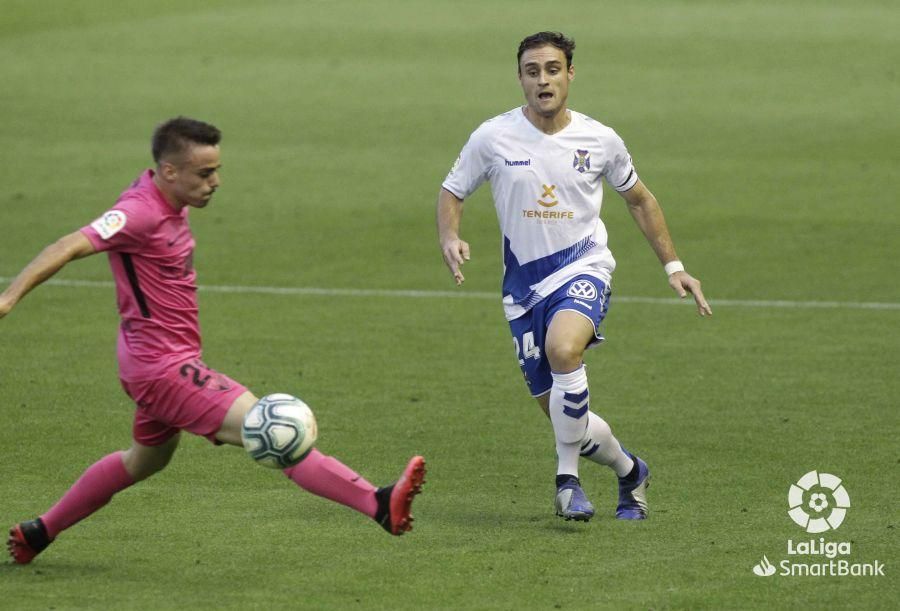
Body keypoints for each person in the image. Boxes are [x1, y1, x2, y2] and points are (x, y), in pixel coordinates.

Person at [3, 117, 426, 564]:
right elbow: (68, 245)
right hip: (162, 368)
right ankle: (377, 504)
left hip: (155, 361)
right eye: (205, 173)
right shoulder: (139, 212)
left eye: (216, 170)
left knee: (142, 462)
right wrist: (9, 298)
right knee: (276, 430)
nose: (215, 182)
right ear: (169, 172)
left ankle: (40, 531)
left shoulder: (168, 198)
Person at [436, 32, 711, 522]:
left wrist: (675, 267)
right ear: (520, 78)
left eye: (553, 69)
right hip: (522, 290)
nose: (543, 79)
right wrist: (449, 236)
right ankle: (631, 472)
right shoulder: (492, 137)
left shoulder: (599, 139)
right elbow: (452, 190)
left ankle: (567, 483)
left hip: (584, 267)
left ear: (570, 75)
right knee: (571, 420)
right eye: (533, 70)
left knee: (566, 350)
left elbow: (640, 199)